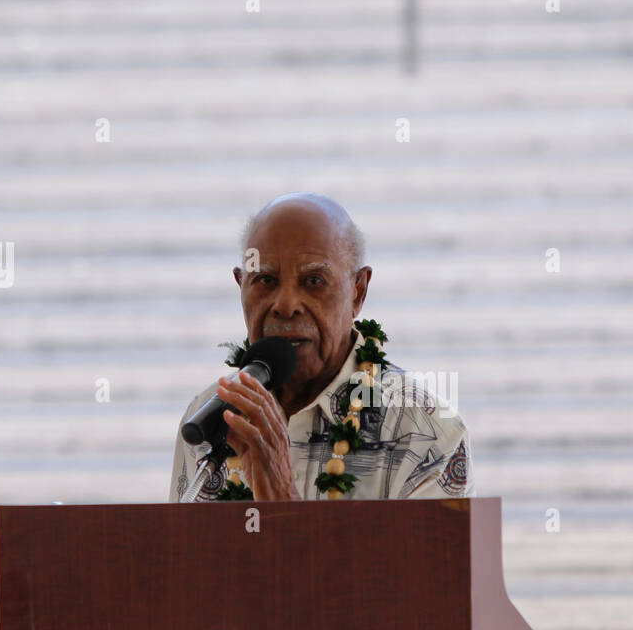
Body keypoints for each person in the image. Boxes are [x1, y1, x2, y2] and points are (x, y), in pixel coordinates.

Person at [169, 192, 474, 502]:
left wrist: (281, 495)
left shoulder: (427, 432)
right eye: (265, 280)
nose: (286, 306)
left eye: (314, 281)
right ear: (240, 285)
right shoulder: (208, 417)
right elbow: (181, 549)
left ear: (358, 292)